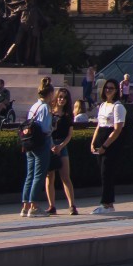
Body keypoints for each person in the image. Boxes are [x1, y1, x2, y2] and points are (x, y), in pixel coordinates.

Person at [89, 78, 126, 214]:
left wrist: (105, 145)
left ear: (116, 91)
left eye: (111, 88)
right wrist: (93, 142)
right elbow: (99, 126)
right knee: (102, 173)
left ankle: (107, 204)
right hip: (101, 139)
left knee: (107, 173)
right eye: (106, 88)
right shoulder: (103, 105)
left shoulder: (118, 107)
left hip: (111, 143)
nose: (108, 90)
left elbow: (117, 129)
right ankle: (106, 202)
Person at [19, 88, 53, 218]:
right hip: (41, 142)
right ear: (50, 94)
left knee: (30, 175)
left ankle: (25, 206)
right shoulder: (45, 107)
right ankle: (34, 206)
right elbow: (45, 128)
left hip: (30, 143)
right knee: (39, 175)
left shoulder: (34, 106)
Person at [47, 88, 78, 216]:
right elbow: (46, 131)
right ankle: (51, 206)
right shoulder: (50, 113)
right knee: (49, 177)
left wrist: (60, 146)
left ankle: (72, 205)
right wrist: (51, 145)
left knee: (65, 177)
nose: (61, 99)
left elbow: (69, 135)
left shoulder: (68, 115)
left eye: (64, 98)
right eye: (60, 97)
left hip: (62, 145)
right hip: (50, 145)